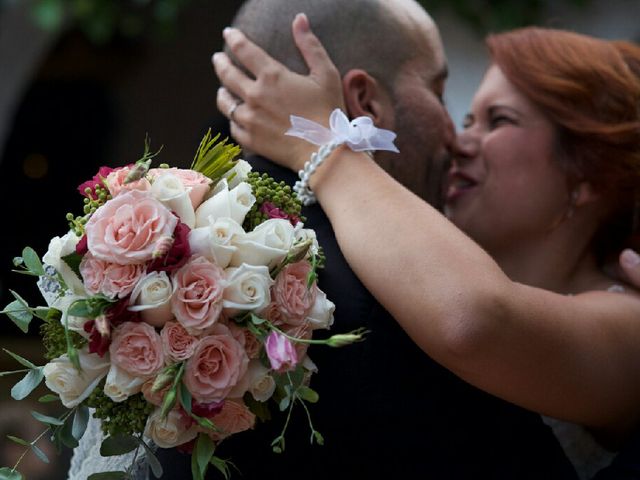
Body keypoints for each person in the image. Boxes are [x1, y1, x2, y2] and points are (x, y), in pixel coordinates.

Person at [155, 1, 581, 479]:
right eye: (438, 91)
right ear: (366, 102)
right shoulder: (404, 293)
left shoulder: (174, 245)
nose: (458, 138)